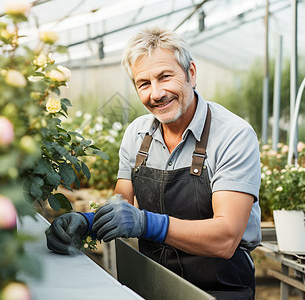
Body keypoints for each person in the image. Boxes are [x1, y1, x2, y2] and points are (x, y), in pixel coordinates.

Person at [45, 26, 261, 300]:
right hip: (151, 283)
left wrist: (147, 224)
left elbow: (226, 238)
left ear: (191, 74)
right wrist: (85, 222)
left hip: (219, 289)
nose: (156, 93)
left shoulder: (233, 135)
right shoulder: (137, 134)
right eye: (143, 83)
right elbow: (122, 203)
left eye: (165, 77)